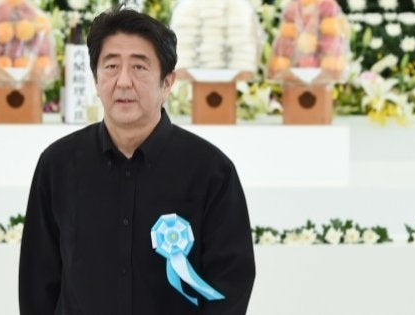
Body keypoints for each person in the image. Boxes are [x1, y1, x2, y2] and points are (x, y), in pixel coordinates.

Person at [19, 7, 255, 315]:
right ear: (96, 78)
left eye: (140, 67)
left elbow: (230, 283)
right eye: (111, 66)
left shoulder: (211, 171)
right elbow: (38, 281)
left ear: (167, 83)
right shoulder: (58, 165)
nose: (124, 82)